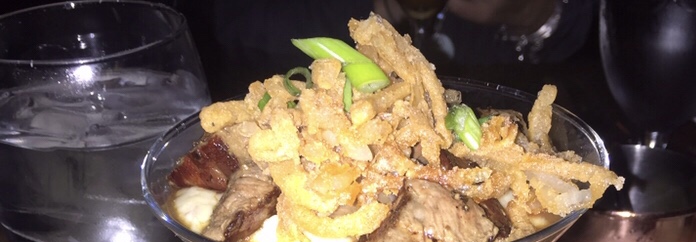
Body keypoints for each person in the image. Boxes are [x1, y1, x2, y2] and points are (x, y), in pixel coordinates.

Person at [205, 0, 597, 97]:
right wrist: (364, 10)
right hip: (311, 96)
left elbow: (582, 28)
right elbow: (228, 20)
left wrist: (530, 12)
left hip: (501, 96)